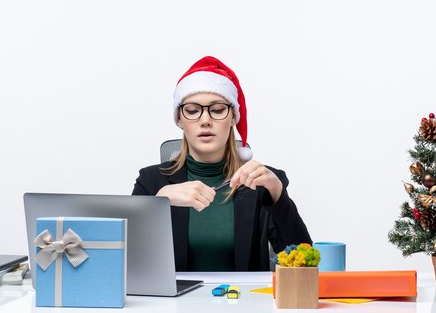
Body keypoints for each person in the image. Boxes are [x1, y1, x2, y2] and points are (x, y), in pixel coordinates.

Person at [132, 56, 311, 271]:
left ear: (233, 116)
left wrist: (278, 196)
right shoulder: (151, 182)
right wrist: (156, 205)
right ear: (179, 119)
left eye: (217, 110)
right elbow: (127, 263)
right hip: (174, 304)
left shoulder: (261, 182)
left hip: (245, 302)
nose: (205, 120)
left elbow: (304, 263)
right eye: (192, 110)